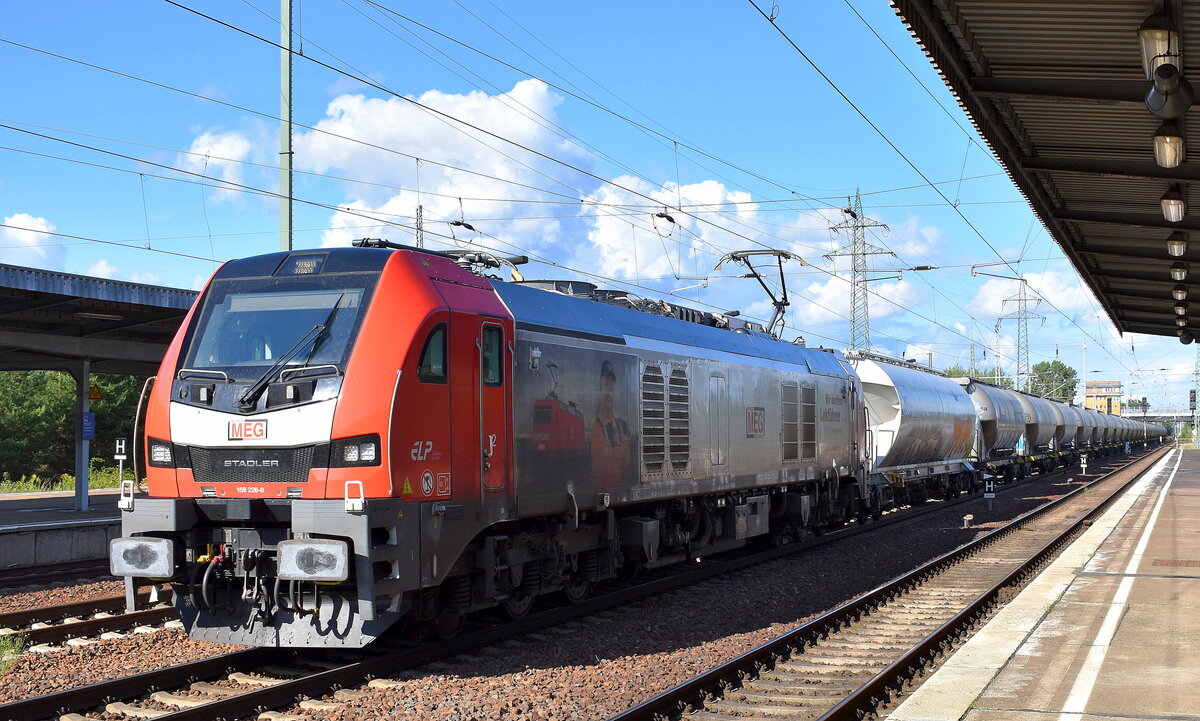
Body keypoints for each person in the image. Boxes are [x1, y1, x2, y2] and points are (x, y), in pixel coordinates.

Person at [591, 360, 632, 485]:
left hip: (619, 488)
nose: (608, 393)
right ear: (598, 393)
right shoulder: (596, 426)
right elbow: (603, 464)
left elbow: (626, 462)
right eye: (605, 388)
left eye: (611, 388)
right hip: (604, 488)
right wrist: (622, 448)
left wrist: (615, 451)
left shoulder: (618, 424)